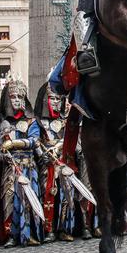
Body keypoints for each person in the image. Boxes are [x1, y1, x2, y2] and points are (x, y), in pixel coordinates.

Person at [0, 75, 42, 248]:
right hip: (10, 168)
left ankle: (29, 233)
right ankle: (11, 235)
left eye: (20, 97)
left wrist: (13, 143)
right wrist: (3, 148)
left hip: (28, 166)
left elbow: (34, 141)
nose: (16, 100)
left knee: (28, 201)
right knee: (9, 200)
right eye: (13, 97)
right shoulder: (3, 124)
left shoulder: (31, 121)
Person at [37, 85, 77, 242]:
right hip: (47, 164)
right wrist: (43, 153)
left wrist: (59, 147)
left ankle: (64, 228)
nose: (55, 102)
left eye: (58, 99)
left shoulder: (65, 121)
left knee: (66, 196)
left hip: (63, 162)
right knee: (48, 195)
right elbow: (35, 141)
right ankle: (49, 229)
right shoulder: (39, 122)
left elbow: (72, 138)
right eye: (52, 98)